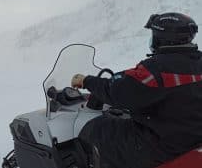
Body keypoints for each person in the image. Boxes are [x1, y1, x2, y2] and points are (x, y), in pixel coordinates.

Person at [71, 12, 201, 168]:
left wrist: (87, 81)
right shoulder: (196, 61)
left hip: (164, 145)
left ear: (162, 38)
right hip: (191, 137)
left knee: (98, 128)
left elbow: (119, 91)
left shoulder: (156, 69)